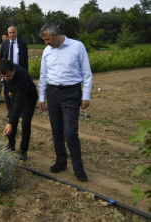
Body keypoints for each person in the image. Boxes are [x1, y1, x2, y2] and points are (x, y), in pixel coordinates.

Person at [38, 23, 92, 182]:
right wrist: (42, 96)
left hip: (71, 93)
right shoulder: (47, 51)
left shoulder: (77, 47)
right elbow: (43, 75)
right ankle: (61, 161)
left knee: (70, 132)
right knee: (56, 131)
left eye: (47, 39)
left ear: (56, 35)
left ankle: (78, 166)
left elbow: (87, 73)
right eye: (44, 40)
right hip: (52, 93)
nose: (46, 43)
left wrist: (86, 95)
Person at [0, 59, 38, 160]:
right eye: (4, 76)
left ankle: (23, 150)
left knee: (25, 122)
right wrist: (11, 90)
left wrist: (10, 123)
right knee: (13, 117)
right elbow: (8, 81)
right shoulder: (5, 72)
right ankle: (11, 144)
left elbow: (19, 104)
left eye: (9, 76)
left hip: (29, 96)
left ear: (14, 70)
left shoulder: (23, 76)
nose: (6, 78)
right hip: (17, 92)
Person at [0, 26, 29, 117]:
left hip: (18, 73)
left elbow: (25, 60)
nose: (12, 34)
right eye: (10, 33)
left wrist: (25, 73)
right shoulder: (4, 44)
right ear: (8, 34)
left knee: (20, 92)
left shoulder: (22, 44)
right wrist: (0, 73)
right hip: (7, 73)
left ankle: (21, 111)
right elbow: (0, 60)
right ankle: (10, 111)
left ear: (17, 32)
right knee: (7, 92)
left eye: (13, 32)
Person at [0, 33, 9, 105]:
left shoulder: (10, 45)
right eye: (2, 37)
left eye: (4, 37)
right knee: (0, 83)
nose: (3, 39)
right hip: (2, 67)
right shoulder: (1, 46)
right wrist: (1, 66)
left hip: (9, 68)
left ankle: (9, 99)